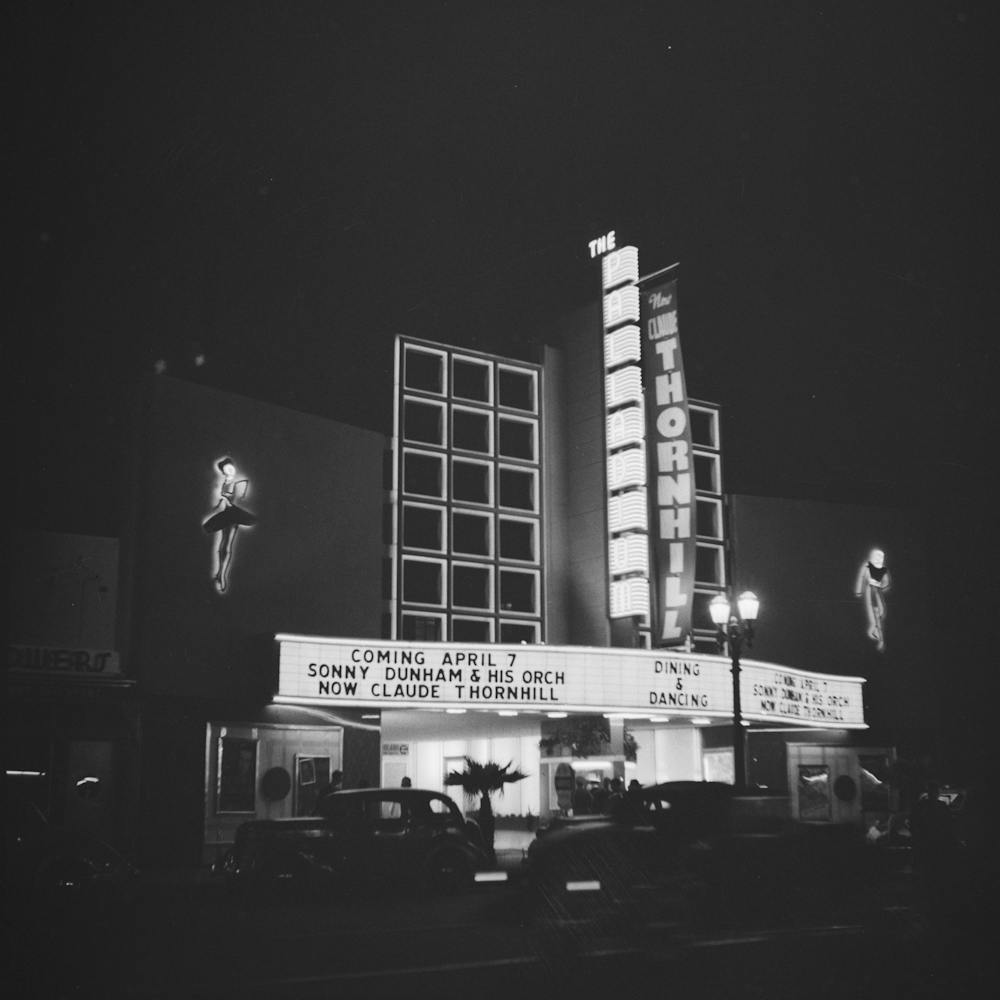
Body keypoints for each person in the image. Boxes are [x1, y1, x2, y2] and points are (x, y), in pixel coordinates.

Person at [202, 457, 258, 592]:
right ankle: (220, 572)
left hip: (234, 514)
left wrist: (228, 500)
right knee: (222, 543)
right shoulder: (223, 483)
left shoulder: (240, 482)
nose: (229, 470)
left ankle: (222, 575)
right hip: (225, 515)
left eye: (230, 467)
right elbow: (217, 505)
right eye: (226, 469)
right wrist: (220, 501)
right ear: (223, 472)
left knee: (227, 545)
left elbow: (240, 500)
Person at [855, 548, 891, 651]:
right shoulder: (868, 565)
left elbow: (887, 581)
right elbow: (862, 577)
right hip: (870, 590)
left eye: (881, 557)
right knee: (876, 613)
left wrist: (881, 586)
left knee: (882, 611)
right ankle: (880, 639)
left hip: (877, 589)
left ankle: (874, 628)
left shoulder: (883, 569)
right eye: (878, 556)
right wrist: (859, 590)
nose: (879, 559)